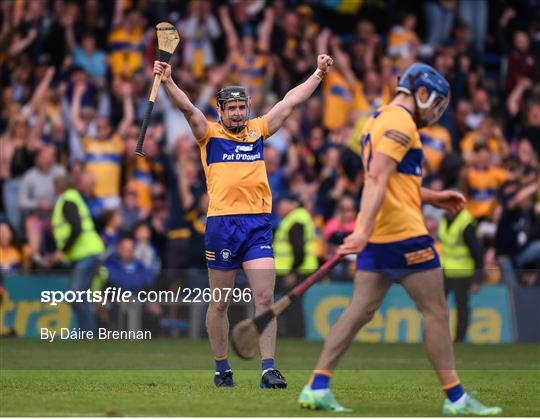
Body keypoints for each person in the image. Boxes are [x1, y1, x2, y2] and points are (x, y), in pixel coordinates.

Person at [298, 63, 502, 415]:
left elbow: (394, 182)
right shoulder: (401, 122)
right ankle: (456, 399)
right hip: (403, 235)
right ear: (421, 93)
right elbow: (376, 178)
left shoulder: (378, 119)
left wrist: (432, 196)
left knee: (359, 310)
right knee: (436, 311)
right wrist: (360, 229)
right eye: (436, 104)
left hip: (379, 234)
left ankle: (317, 386)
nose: (436, 114)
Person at [153, 53, 334, 388]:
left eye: (241, 107)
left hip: (257, 226)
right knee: (219, 302)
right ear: (220, 110)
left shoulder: (258, 130)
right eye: (230, 108)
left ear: (247, 107)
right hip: (222, 227)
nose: (237, 113)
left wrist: (318, 74)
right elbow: (188, 108)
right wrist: (167, 82)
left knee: (265, 297)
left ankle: (268, 368)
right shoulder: (208, 134)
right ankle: (222, 367)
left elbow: (290, 100)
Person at [51, 175, 105, 332]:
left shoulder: (67, 201)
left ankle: (88, 333)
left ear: (58, 187)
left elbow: (76, 227)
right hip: (90, 252)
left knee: (75, 295)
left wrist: (63, 251)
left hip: (87, 253)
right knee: (81, 297)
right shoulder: (74, 198)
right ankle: (87, 333)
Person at [273, 193, 318, 337]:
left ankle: (295, 335)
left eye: (282, 203)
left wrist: (291, 272)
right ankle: (295, 335)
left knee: (292, 306)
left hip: (295, 271)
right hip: (298, 269)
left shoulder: (296, 220)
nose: (278, 208)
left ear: (292, 204)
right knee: (292, 305)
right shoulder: (298, 218)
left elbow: (298, 250)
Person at [439, 207, 484, 342]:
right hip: (445, 270)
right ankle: (438, 337)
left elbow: (478, 254)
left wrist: (477, 279)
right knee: (437, 306)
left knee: (461, 306)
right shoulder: (445, 218)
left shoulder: (466, 223)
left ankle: (460, 338)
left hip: (463, 272)